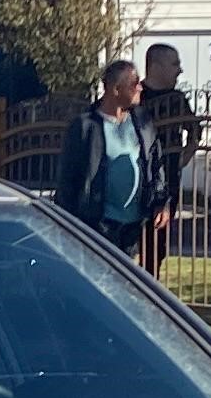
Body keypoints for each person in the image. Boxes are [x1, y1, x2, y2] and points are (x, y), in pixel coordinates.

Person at [59, 60, 158, 266]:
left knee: (127, 284)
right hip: (99, 225)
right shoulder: (85, 127)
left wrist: (161, 203)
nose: (140, 87)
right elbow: (68, 179)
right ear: (115, 89)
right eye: (134, 83)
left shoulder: (141, 121)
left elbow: (155, 163)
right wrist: (68, 224)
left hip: (133, 226)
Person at [135, 44, 202, 274]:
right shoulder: (136, 96)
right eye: (174, 64)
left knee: (158, 241)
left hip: (168, 180)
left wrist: (185, 156)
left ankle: (150, 283)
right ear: (155, 65)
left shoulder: (177, 99)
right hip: (136, 179)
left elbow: (194, 130)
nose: (180, 71)